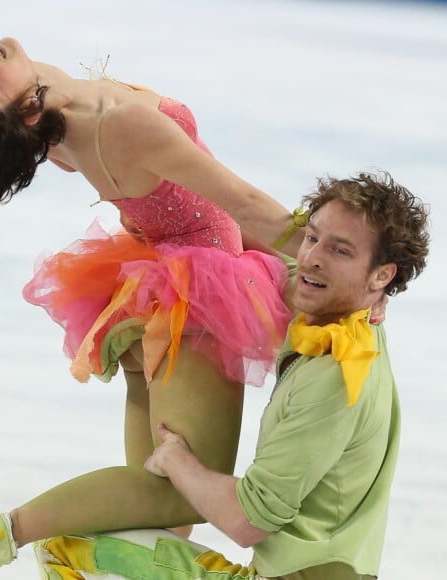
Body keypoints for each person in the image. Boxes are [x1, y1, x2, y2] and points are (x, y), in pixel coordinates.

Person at [0, 37, 311, 579]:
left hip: (157, 287)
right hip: (194, 299)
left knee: (160, 522)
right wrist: (347, 273)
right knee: (181, 497)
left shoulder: (53, 109)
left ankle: (67, 562)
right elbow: (249, 206)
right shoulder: (117, 124)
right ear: (26, 113)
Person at [22, 171, 427, 580]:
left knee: (65, 547)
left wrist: (180, 464)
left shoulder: (337, 370)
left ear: (382, 275)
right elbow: (244, 243)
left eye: (340, 250)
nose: (312, 257)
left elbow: (248, 521)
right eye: (311, 237)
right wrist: (162, 224)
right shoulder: (351, 321)